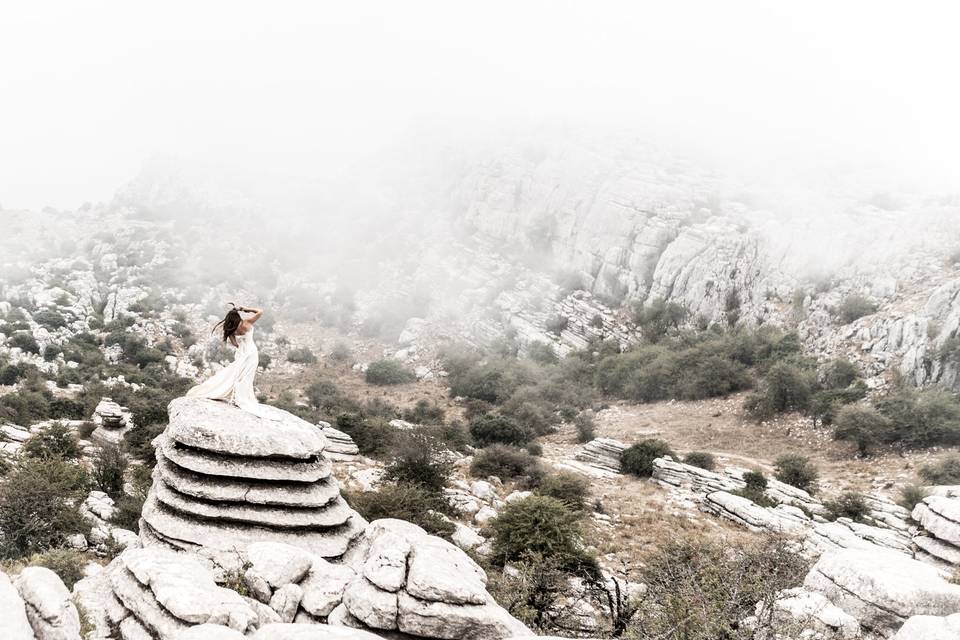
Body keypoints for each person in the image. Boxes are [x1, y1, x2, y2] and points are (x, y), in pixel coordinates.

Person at [187, 303, 280, 419]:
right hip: (252, 353)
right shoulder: (247, 323)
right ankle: (241, 396)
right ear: (238, 316)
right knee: (247, 376)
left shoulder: (231, 330)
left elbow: (235, 344)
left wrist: (241, 345)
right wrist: (245, 309)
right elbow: (260, 311)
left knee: (237, 374)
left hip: (243, 353)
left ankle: (235, 395)